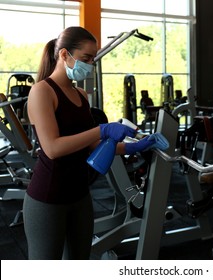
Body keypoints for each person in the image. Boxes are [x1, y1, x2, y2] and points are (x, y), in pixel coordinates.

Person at [23, 26, 163, 260]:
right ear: (64, 55)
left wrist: (134, 146)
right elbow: (53, 148)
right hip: (48, 198)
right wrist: (102, 129)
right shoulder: (42, 91)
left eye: (92, 60)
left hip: (80, 196)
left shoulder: (81, 95)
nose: (90, 65)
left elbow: (92, 146)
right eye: (86, 59)